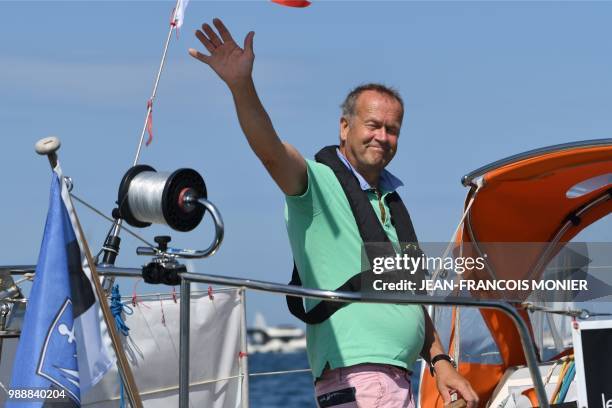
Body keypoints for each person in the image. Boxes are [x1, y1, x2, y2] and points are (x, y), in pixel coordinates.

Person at [189, 18, 479, 408]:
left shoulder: (389, 204)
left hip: (397, 379)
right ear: (345, 127)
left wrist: (441, 363)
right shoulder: (319, 184)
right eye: (373, 124)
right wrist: (242, 86)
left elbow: (408, 297)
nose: (383, 136)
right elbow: (271, 152)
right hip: (361, 379)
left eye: (392, 129)